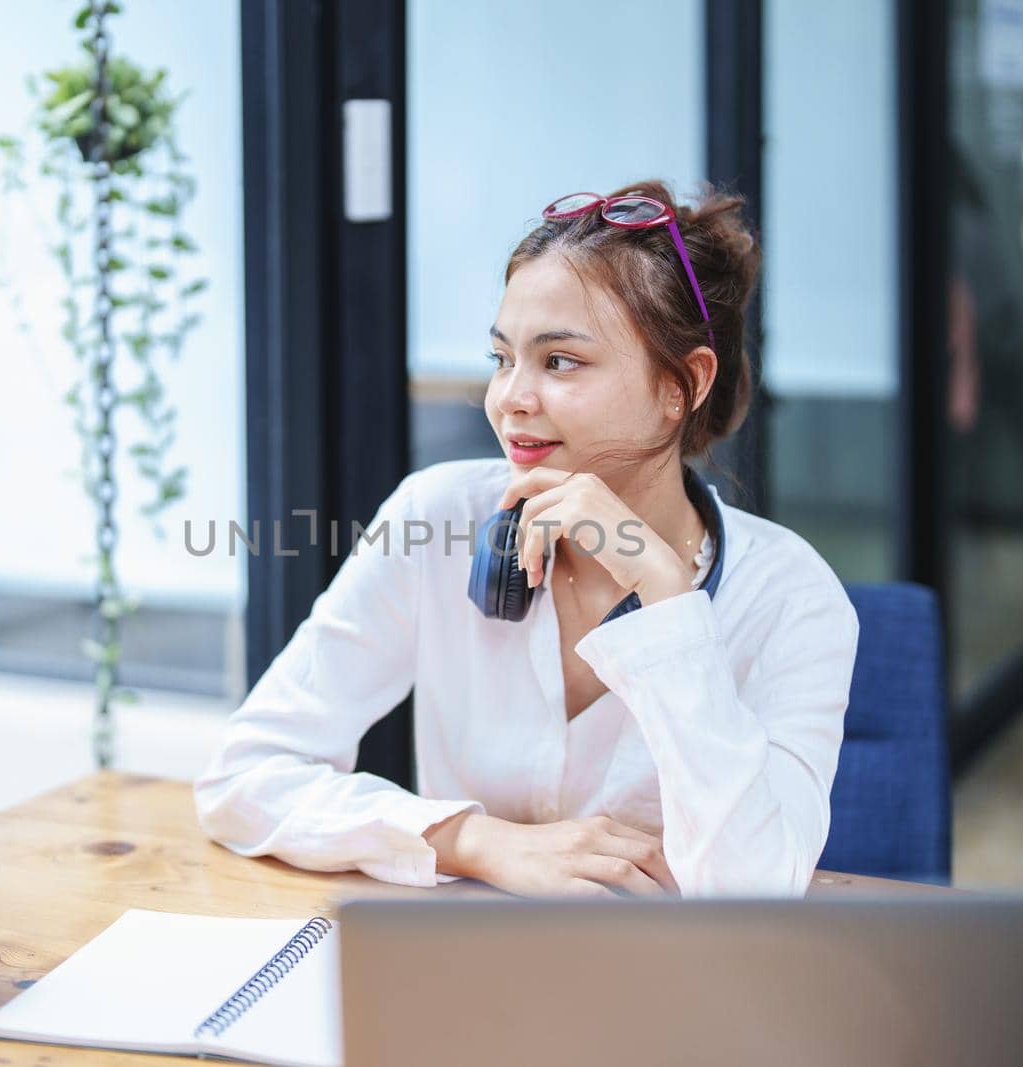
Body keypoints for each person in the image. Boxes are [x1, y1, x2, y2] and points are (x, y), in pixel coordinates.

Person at [195, 179, 859, 899]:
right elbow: (245, 774)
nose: (510, 397)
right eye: (501, 358)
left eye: (560, 361)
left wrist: (666, 598)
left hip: (666, 988)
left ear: (683, 385)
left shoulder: (794, 598)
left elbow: (756, 891)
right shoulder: (439, 517)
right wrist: (479, 841)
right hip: (473, 975)